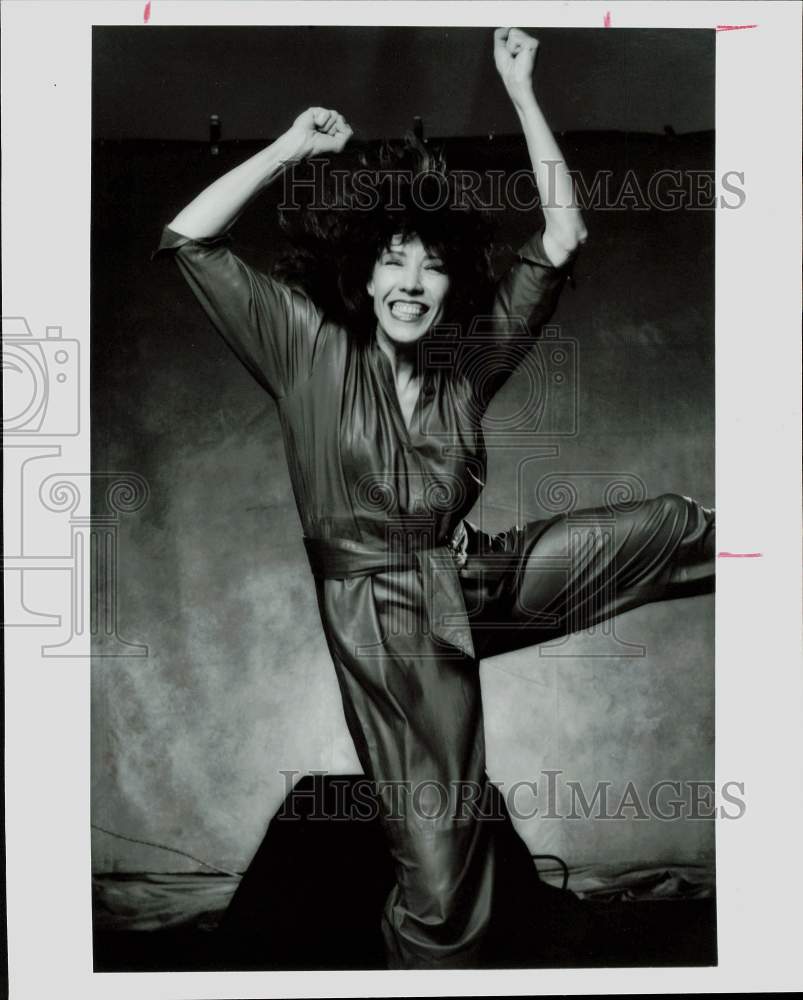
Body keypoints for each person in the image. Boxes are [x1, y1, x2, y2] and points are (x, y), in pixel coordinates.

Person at [154, 28, 715, 969]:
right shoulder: (307, 350)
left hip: (473, 582)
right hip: (386, 625)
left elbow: (563, 236)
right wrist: (291, 148)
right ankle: (425, 967)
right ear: (364, 272)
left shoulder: (467, 362)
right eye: (395, 262)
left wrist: (520, 89)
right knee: (443, 876)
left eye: (431, 265)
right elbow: (188, 235)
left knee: (665, 528)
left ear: (449, 280)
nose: (411, 283)